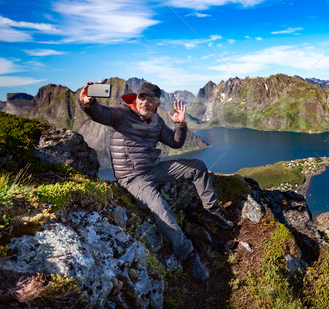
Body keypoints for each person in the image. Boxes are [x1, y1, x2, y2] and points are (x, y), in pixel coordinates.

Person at [79, 81, 234, 281]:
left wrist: (180, 124)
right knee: (161, 208)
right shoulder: (121, 113)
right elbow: (101, 113)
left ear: (157, 103)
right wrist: (88, 103)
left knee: (198, 167)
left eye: (151, 100)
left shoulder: (156, 121)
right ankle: (189, 255)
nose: (145, 103)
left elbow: (176, 143)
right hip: (132, 178)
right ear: (137, 98)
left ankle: (212, 211)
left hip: (154, 168)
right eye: (142, 98)